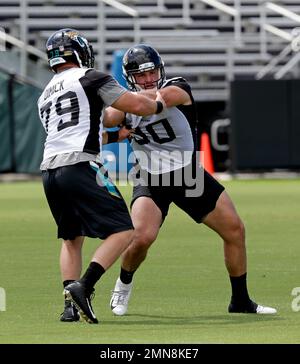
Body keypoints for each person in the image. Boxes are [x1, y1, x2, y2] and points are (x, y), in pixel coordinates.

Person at [104, 44, 277, 316]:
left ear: (161, 70)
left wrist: (125, 103)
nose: (148, 78)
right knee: (142, 237)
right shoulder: (127, 102)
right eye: (141, 75)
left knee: (235, 230)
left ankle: (240, 301)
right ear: (129, 77)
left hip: (188, 174)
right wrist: (116, 114)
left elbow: (161, 98)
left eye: (152, 72)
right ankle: (123, 286)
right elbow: (108, 119)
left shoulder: (177, 86)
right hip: (150, 176)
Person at [37, 30, 166, 324]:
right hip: (81, 166)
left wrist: (113, 134)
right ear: (80, 53)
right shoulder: (90, 77)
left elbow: (76, 127)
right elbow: (135, 106)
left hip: (49, 169)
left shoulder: (44, 94)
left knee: (72, 237)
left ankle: (69, 307)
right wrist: (159, 103)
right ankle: (85, 285)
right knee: (124, 229)